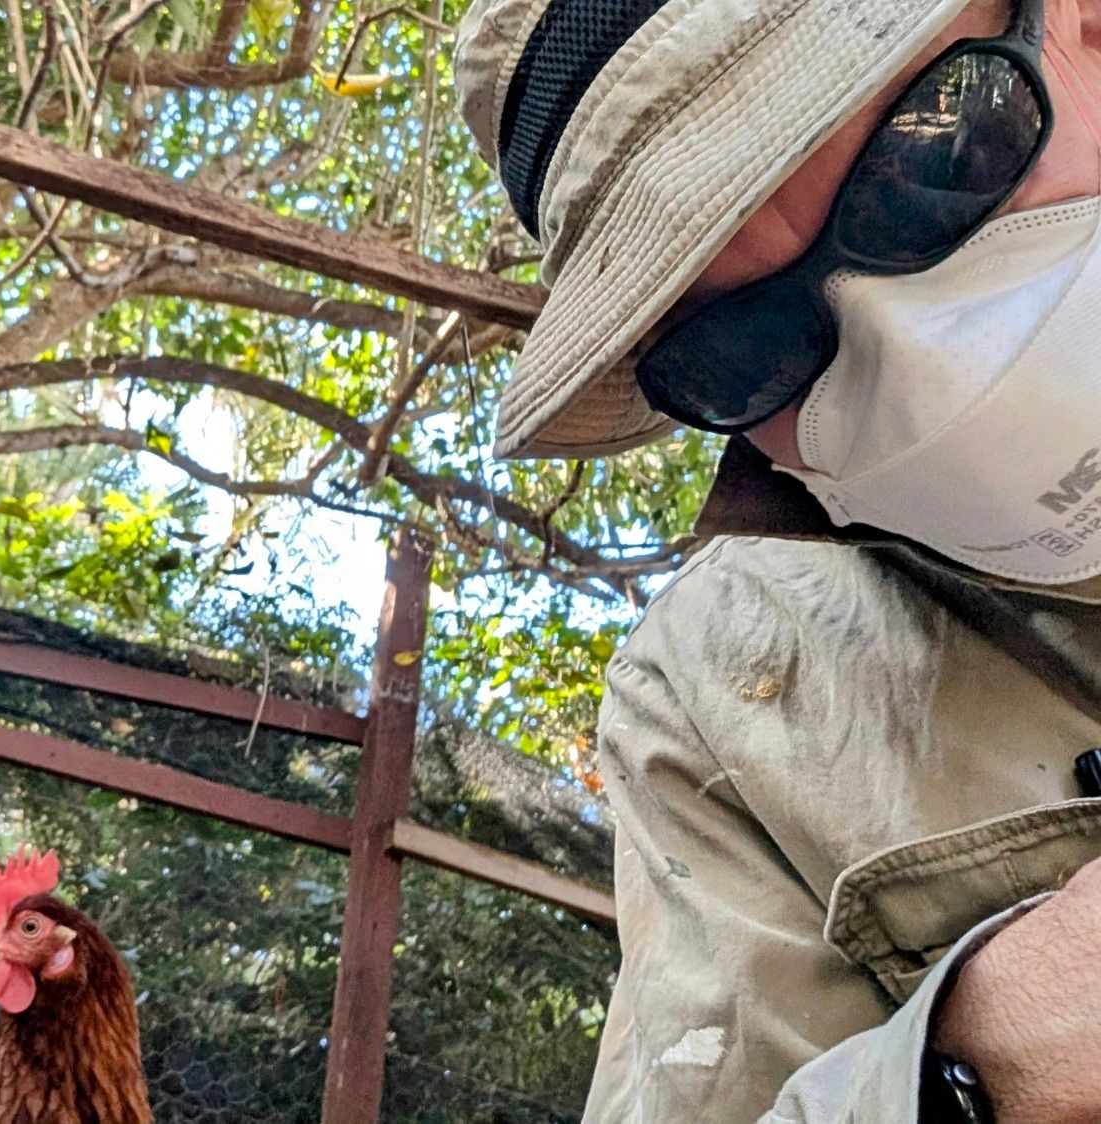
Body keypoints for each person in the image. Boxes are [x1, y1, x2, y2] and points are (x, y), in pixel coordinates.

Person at [451, 0, 1101, 1120]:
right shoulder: (724, 686)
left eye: (937, 153)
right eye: (744, 345)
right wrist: (974, 1065)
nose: (909, 357)